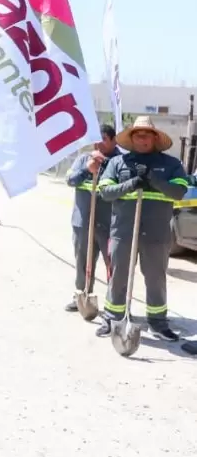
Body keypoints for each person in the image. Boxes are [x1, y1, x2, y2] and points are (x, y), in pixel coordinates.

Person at [97, 115, 189, 342]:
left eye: (147, 134)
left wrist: (153, 179)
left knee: (156, 278)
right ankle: (112, 317)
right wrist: (131, 183)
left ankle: (157, 323)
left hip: (156, 235)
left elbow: (179, 192)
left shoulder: (171, 165)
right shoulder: (118, 163)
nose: (143, 139)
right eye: (138, 135)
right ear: (132, 138)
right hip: (124, 231)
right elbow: (105, 192)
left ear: (155, 138)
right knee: (118, 276)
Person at [64, 125, 118, 311]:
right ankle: (82, 294)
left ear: (113, 140)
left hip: (109, 225)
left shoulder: (119, 162)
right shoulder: (83, 159)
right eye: (95, 138)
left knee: (114, 265)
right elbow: (70, 180)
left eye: (103, 138)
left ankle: (115, 304)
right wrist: (88, 170)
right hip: (83, 223)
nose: (97, 143)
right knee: (82, 261)